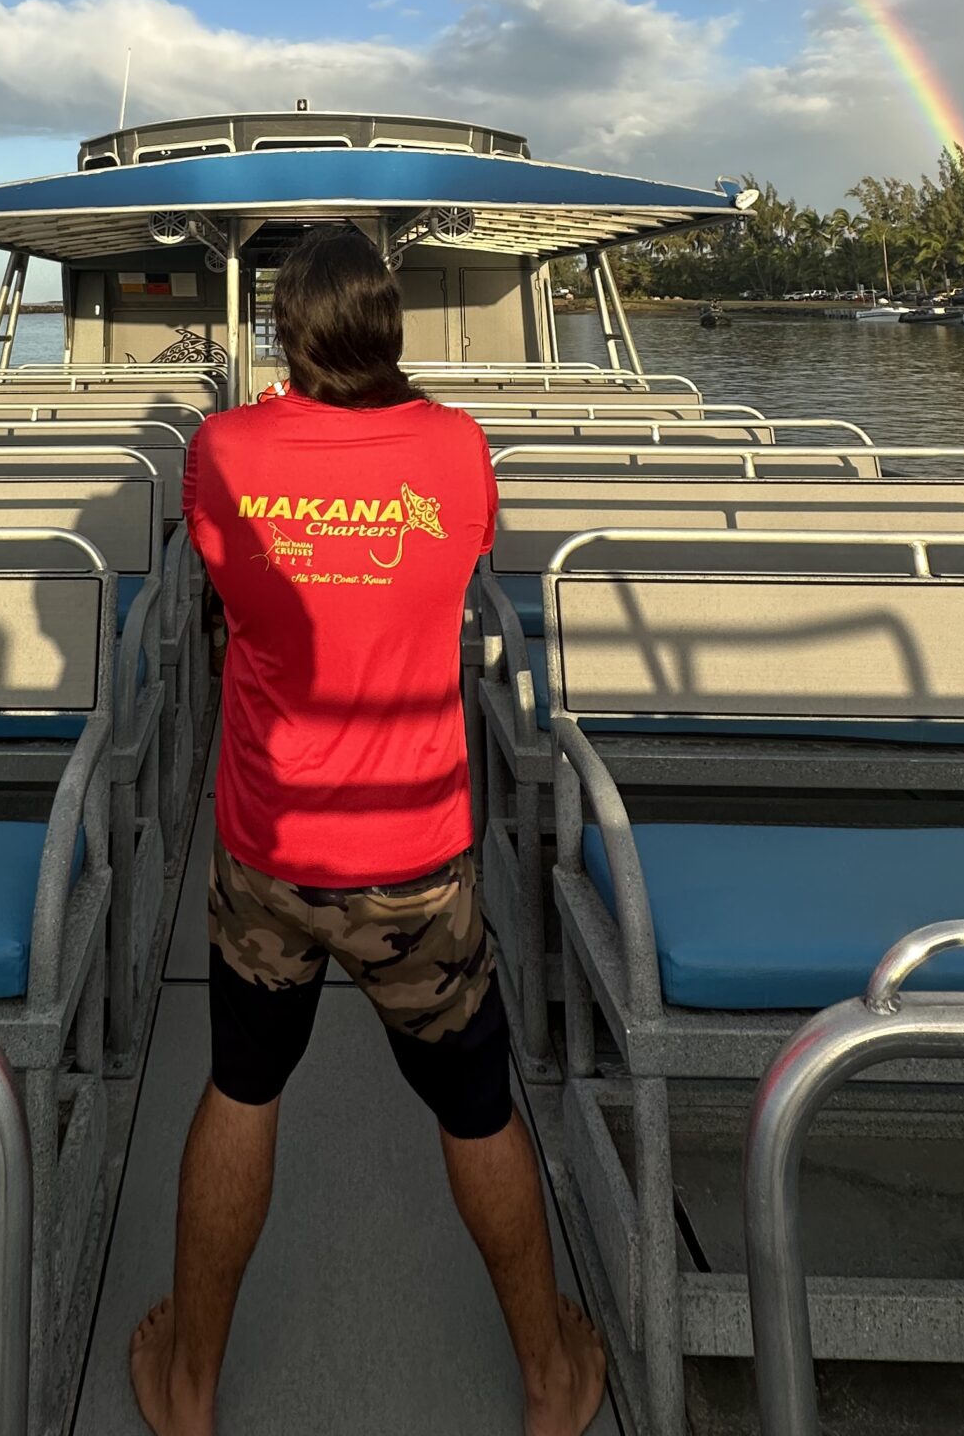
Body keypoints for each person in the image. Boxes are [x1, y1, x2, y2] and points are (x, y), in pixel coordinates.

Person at [130, 225, 606, 1436]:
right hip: (416, 868)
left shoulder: (224, 452)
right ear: (389, 326)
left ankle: (189, 1388)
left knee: (241, 1087)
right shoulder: (456, 450)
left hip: (270, 857)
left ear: (286, 329)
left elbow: (230, 590)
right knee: (477, 1103)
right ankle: (550, 1374)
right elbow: (463, 560)